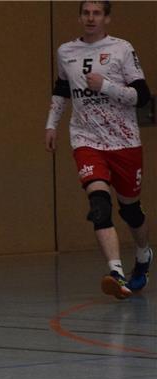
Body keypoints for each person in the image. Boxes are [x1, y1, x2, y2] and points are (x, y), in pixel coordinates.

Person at [45, 1, 152, 299]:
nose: (91, 18)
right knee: (100, 204)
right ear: (79, 17)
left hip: (124, 140)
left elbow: (142, 97)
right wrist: (51, 124)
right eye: (86, 13)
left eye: (97, 13)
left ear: (107, 18)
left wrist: (106, 86)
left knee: (130, 210)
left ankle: (143, 255)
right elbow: (61, 89)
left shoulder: (121, 49)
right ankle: (116, 272)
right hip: (86, 138)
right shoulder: (66, 52)